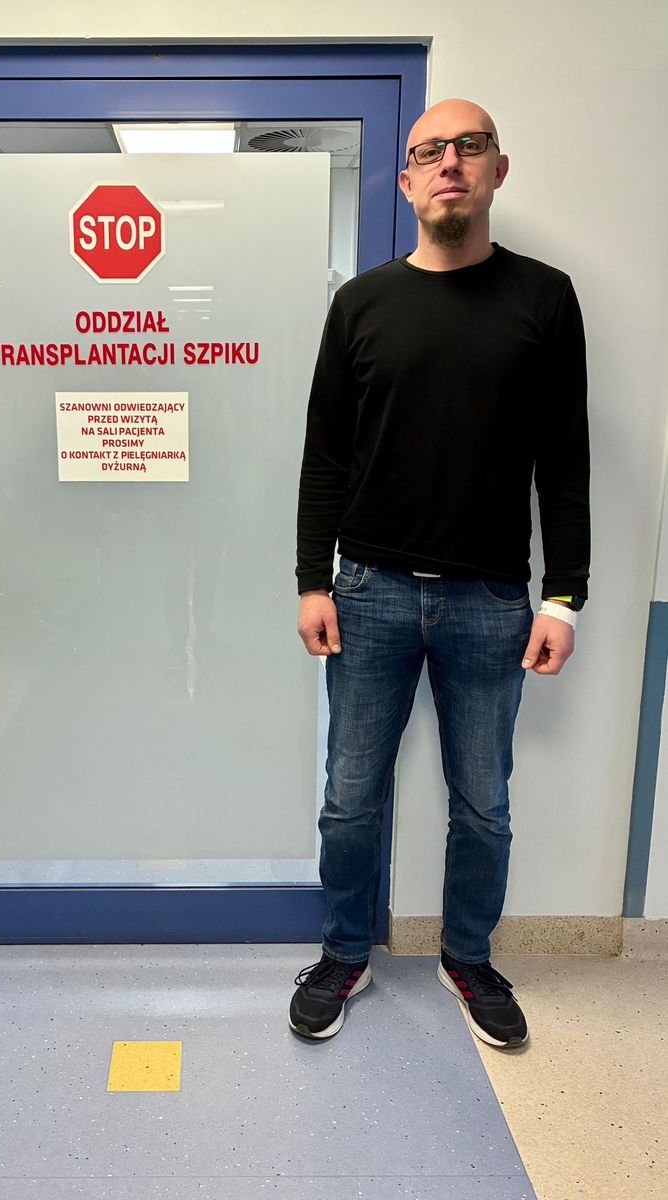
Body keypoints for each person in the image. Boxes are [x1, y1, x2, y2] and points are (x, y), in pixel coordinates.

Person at [288, 98, 590, 1049]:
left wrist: (565, 596)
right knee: (349, 798)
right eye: (430, 151)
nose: (449, 162)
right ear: (408, 181)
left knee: (484, 804)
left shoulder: (545, 299)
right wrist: (311, 579)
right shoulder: (360, 304)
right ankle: (344, 953)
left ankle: (468, 957)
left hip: (492, 602)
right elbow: (325, 456)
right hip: (368, 592)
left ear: (498, 168)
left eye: (469, 146)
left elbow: (565, 461)